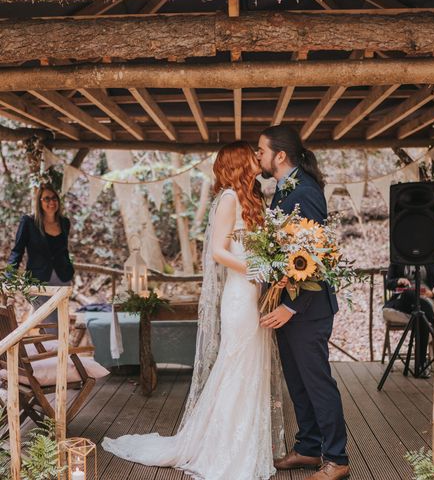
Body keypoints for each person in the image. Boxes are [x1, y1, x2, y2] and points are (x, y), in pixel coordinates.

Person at [102, 141, 286, 480]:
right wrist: (256, 268)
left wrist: (267, 267)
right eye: (251, 155)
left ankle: (245, 443)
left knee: (249, 369)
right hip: (239, 296)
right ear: (237, 163)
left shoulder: (253, 199)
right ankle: (224, 449)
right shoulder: (229, 198)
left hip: (253, 295)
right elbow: (218, 251)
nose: (257, 158)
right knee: (236, 368)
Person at [257, 125, 350, 480]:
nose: (258, 157)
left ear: (280, 155)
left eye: (261, 151)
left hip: (307, 310)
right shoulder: (282, 191)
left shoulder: (305, 192)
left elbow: (317, 256)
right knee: (297, 382)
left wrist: (291, 307)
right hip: (287, 307)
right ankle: (309, 448)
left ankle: (337, 458)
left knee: (317, 382)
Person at [7, 183, 74, 330]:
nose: (51, 202)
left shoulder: (64, 223)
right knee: (46, 320)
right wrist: (9, 276)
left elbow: (63, 250)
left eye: (54, 198)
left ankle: (56, 350)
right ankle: (52, 350)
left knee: (60, 319)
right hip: (38, 279)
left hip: (62, 278)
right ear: (39, 202)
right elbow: (17, 251)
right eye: (46, 199)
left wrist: (70, 269)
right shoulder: (29, 222)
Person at [384, 262, 434, 374]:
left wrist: (432, 293)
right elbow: (388, 283)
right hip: (404, 300)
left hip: (427, 299)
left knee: (420, 315)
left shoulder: (431, 259)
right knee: (410, 293)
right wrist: (398, 281)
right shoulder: (398, 258)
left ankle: (421, 364)